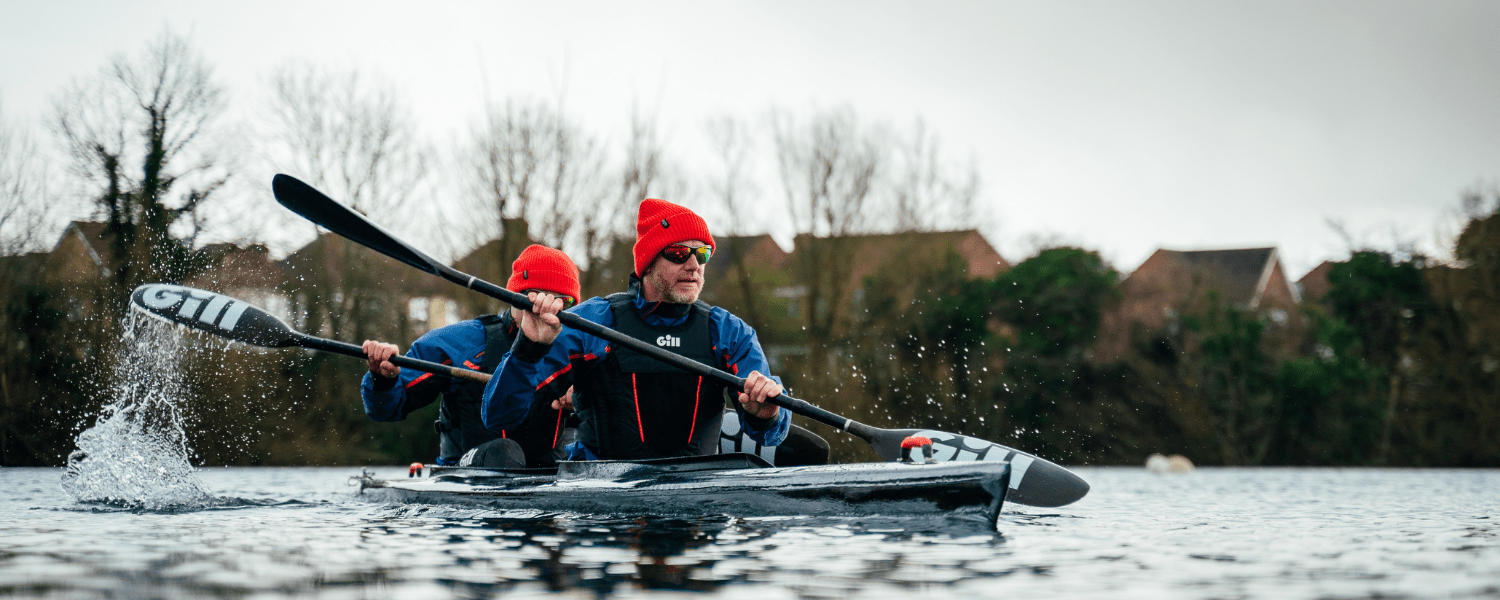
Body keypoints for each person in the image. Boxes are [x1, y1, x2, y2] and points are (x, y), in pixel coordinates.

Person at [482, 198, 791, 460]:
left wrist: (767, 414)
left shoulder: (728, 332)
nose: (694, 265)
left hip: (695, 500)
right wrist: (527, 350)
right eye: (679, 253)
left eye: (703, 254)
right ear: (648, 263)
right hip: (602, 501)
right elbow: (499, 416)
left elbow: (771, 436)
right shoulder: (592, 323)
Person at [361, 244, 581, 469]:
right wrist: (383, 379)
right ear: (517, 296)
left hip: (547, 473)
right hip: (466, 472)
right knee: (504, 452)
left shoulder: (582, 350)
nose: (549, 312)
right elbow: (385, 409)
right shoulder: (459, 342)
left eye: (563, 303)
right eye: (539, 300)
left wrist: (587, 399)